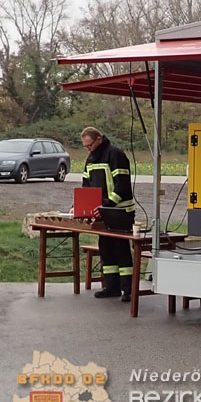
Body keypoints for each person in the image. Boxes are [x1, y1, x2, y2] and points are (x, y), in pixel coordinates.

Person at [79, 127, 136, 302]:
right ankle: (112, 287)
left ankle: (128, 290)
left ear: (99, 139)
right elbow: (86, 185)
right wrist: (80, 205)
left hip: (120, 211)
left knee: (121, 249)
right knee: (106, 249)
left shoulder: (115, 154)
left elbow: (122, 185)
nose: (88, 149)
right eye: (85, 147)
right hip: (103, 211)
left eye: (90, 145)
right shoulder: (91, 159)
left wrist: (108, 204)